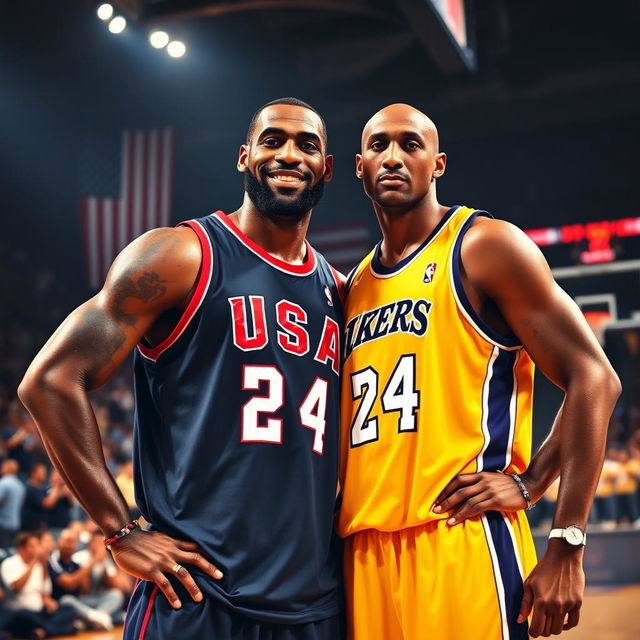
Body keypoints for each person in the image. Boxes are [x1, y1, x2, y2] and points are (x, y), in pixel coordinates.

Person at [18, 97, 344, 639]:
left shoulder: (338, 290)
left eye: (307, 145)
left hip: (312, 602)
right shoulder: (180, 255)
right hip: (195, 593)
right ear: (244, 157)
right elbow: (50, 381)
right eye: (273, 140)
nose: (289, 154)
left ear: (327, 167)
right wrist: (120, 531)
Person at [338, 103, 621, 639]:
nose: (393, 157)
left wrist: (555, 519)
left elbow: (596, 378)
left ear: (438, 163)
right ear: (358, 166)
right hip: (364, 554)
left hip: (460, 538)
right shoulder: (350, 287)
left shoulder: (483, 246)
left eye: (410, 145)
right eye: (379, 146)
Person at [0, 532, 77, 637]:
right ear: (21, 549)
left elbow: (45, 592)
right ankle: (57, 629)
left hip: (39, 613)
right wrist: (34, 562)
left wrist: (48, 601)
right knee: (20, 614)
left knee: (69, 609)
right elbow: (16, 587)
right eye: (32, 546)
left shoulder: (40, 566)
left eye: (37, 545)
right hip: (20, 612)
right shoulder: (10, 563)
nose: (36, 549)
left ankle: (42, 631)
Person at [49, 528, 123, 630]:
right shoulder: (75, 558)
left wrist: (103, 563)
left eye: (102, 543)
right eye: (67, 541)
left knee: (116, 595)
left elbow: (86, 589)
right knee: (66, 600)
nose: (69, 546)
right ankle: (100, 618)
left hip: (86, 601)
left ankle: (94, 619)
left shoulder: (73, 563)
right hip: (67, 603)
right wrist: (94, 560)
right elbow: (69, 584)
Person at [0, 459, 26, 548]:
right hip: (15, 524)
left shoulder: (4, 483)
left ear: (7, 468)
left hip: (3, 524)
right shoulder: (20, 485)